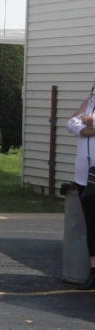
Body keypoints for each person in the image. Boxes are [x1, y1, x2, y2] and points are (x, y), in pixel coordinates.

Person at [67, 93, 95, 287]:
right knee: (91, 223)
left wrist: (89, 121)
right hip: (84, 175)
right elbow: (71, 123)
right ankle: (93, 270)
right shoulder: (89, 101)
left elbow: (82, 121)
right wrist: (85, 127)